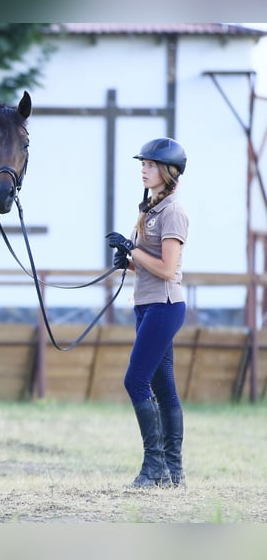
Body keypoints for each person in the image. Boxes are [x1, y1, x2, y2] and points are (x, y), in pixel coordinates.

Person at [106, 137, 189, 489]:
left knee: (135, 381)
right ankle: (174, 472)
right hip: (147, 304)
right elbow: (150, 264)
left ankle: (154, 467)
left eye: (151, 165)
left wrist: (132, 251)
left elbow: (169, 269)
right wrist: (128, 262)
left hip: (165, 305)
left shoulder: (172, 212)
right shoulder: (150, 208)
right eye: (143, 164)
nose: (144, 169)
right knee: (163, 387)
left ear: (168, 172)